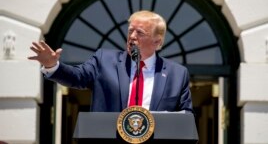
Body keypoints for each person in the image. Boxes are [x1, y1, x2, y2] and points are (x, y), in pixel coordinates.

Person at [28, 10, 193, 113]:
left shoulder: (176, 74)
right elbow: (77, 77)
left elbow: (186, 117)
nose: (132, 37)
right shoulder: (104, 60)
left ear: (157, 42)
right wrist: (52, 65)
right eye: (130, 31)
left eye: (140, 33)